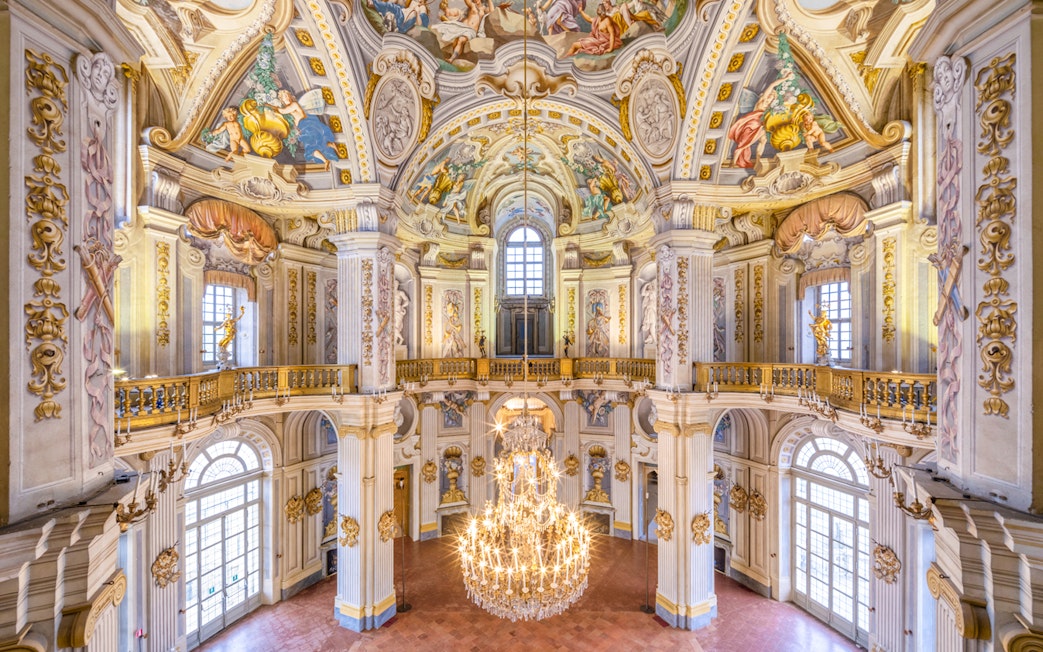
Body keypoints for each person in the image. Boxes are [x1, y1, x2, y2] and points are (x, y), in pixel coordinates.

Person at [727, 70, 794, 168]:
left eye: (773, 96)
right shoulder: (762, 100)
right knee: (744, 143)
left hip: (762, 125)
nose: (771, 96)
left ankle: (758, 159)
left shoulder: (769, 108)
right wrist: (785, 78)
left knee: (763, 140)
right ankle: (733, 162)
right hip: (752, 124)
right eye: (770, 94)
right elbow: (772, 84)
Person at [268, 89, 338, 170]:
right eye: (284, 97)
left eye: (287, 96)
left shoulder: (293, 105)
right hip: (304, 126)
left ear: (290, 96)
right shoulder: (290, 107)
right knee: (314, 144)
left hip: (305, 126)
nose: (287, 98)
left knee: (310, 148)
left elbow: (282, 111)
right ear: (282, 100)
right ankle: (329, 145)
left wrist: (269, 106)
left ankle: (326, 160)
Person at [640, 279, 658, 345]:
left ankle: (654, 340)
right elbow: (642, 293)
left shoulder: (653, 292)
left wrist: (649, 285)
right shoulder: (650, 292)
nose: (649, 288)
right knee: (652, 326)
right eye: (648, 287)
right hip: (650, 310)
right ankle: (654, 340)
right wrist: (646, 284)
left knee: (653, 325)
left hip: (653, 310)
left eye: (650, 286)